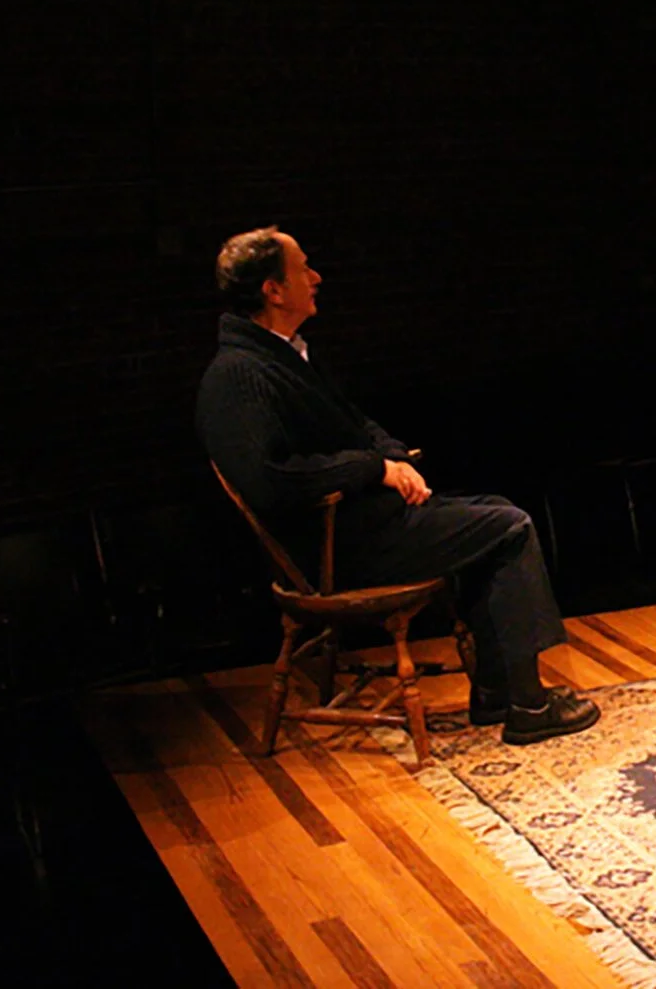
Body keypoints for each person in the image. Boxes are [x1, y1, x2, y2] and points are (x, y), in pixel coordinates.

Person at [195, 227, 599, 746]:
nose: (316, 278)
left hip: (359, 525)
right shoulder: (239, 374)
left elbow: (358, 425)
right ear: (273, 291)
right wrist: (373, 469)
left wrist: (389, 457)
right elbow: (272, 478)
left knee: (494, 516)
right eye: (303, 269)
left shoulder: (286, 357)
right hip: (330, 548)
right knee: (509, 528)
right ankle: (526, 703)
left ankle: (501, 694)